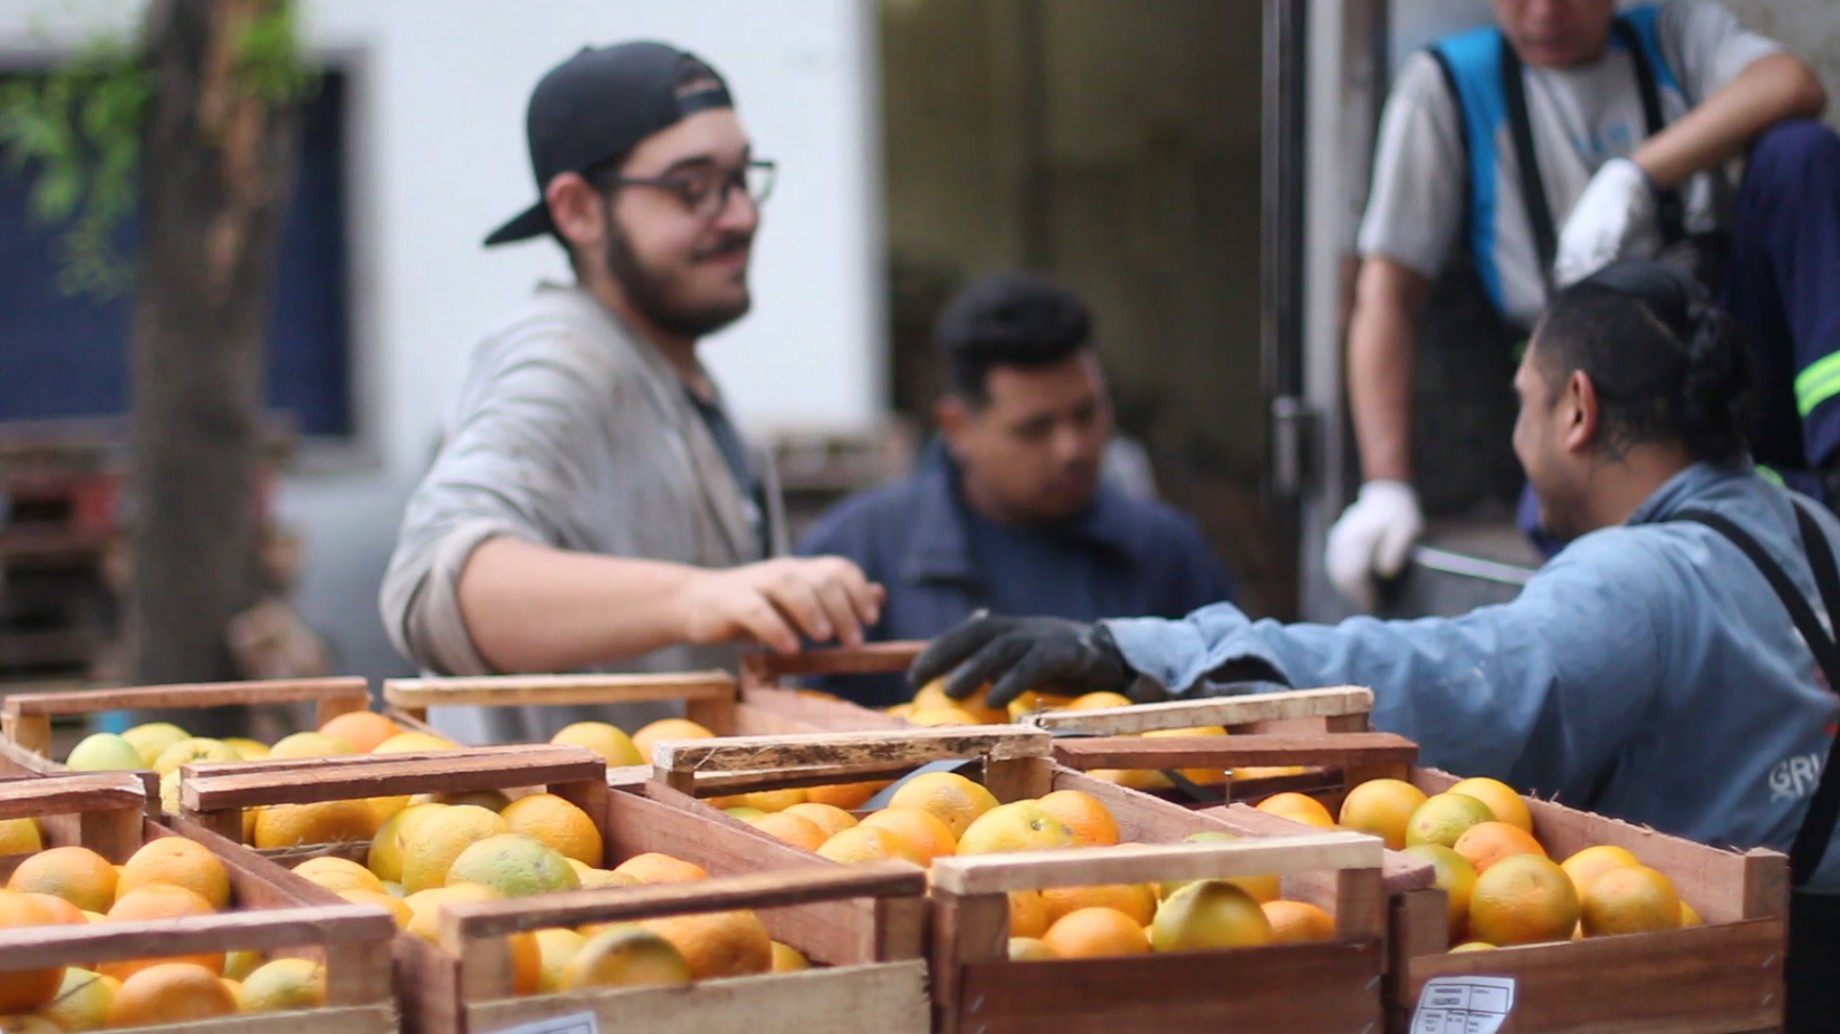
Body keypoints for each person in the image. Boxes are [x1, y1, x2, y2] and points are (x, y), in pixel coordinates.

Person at [910, 262, 1839, 1028]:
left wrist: (1147, 653)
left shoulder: (1635, 578)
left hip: (1728, 985)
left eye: (1522, 401)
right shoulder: (1809, 525)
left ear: (1576, 411)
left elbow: (1453, 682)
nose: (1518, 434)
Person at [380, 42, 882, 741]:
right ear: (578, 209)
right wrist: (700, 596)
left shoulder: (670, 367)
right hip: (555, 845)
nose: (740, 215)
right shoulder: (561, 356)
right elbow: (434, 586)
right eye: (692, 186)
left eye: (741, 177)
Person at [1329, 0, 1836, 608]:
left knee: (1799, 152)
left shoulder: (1671, 35)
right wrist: (1386, 483)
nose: (1544, 12)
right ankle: (1743, 504)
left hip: (1730, 360)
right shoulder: (1447, 87)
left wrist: (1636, 175)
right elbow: (1388, 293)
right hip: (1596, 387)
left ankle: (1830, 464)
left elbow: (1792, 83)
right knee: (1562, 508)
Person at [795, 272, 1235, 705]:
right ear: (958, 427)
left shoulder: (1167, 552)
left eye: (1086, 414)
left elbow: (1237, 699)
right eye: (1035, 428)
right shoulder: (860, 557)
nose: (1072, 448)